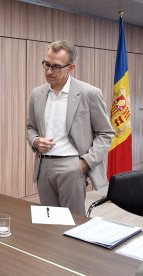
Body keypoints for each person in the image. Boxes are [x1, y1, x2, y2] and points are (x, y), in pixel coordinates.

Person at [27, 40, 114, 215]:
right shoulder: (37, 94)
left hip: (72, 166)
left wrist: (85, 163)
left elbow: (106, 133)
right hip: (43, 166)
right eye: (46, 64)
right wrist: (36, 141)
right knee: (49, 221)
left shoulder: (89, 93)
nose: (49, 71)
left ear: (71, 67)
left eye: (56, 67)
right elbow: (30, 127)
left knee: (73, 222)